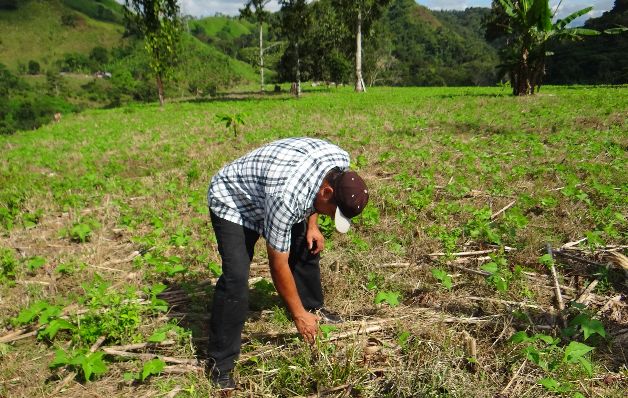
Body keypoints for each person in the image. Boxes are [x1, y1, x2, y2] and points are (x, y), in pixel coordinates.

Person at [206, 137, 369, 389]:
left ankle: (313, 307)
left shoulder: (338, 160)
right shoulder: (286, 197)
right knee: (236, 278)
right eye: (333, 211)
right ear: (328, 193)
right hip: (234, 201)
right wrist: (297, 316)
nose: (331, 217)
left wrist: (312, 225)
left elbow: (315, 185)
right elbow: (277, 264)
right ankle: (221, 364)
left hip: (272, 192)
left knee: (306, 242)